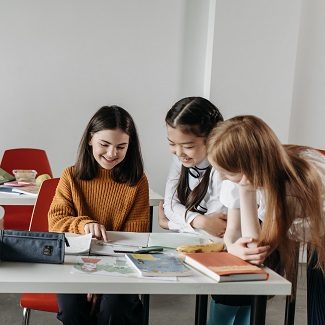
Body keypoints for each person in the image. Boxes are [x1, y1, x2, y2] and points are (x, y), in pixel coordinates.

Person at [207, 115, 325, 325]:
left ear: (250, 168)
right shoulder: (245, 175)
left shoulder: (292, 189)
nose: (222, 177)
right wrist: (231, 247)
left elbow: (257, 251)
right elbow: (233, 232)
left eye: (227, 172)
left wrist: (246, 192)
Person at [48, 105, 150, 325]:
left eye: (121, 147)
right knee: (73, 309)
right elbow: (56, 221)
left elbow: (136, 236)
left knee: (114, 309)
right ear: (90, 140)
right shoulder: (71, 175)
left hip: (120, 265)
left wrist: (100, 277)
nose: (112, 153)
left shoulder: (138, 181)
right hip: (73, 263)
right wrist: (84, 225)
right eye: (105, 144)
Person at [158, 96, 250, 325]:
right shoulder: (182, 161)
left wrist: (171, 223)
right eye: (171, 143)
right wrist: (198, 221)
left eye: (187, 146)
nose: (178, 152)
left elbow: (219, 226)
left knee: (235, 306)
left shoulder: (224, 168)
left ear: (212, 139)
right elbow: (169, 205)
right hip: (212, 247)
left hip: (236, 247)